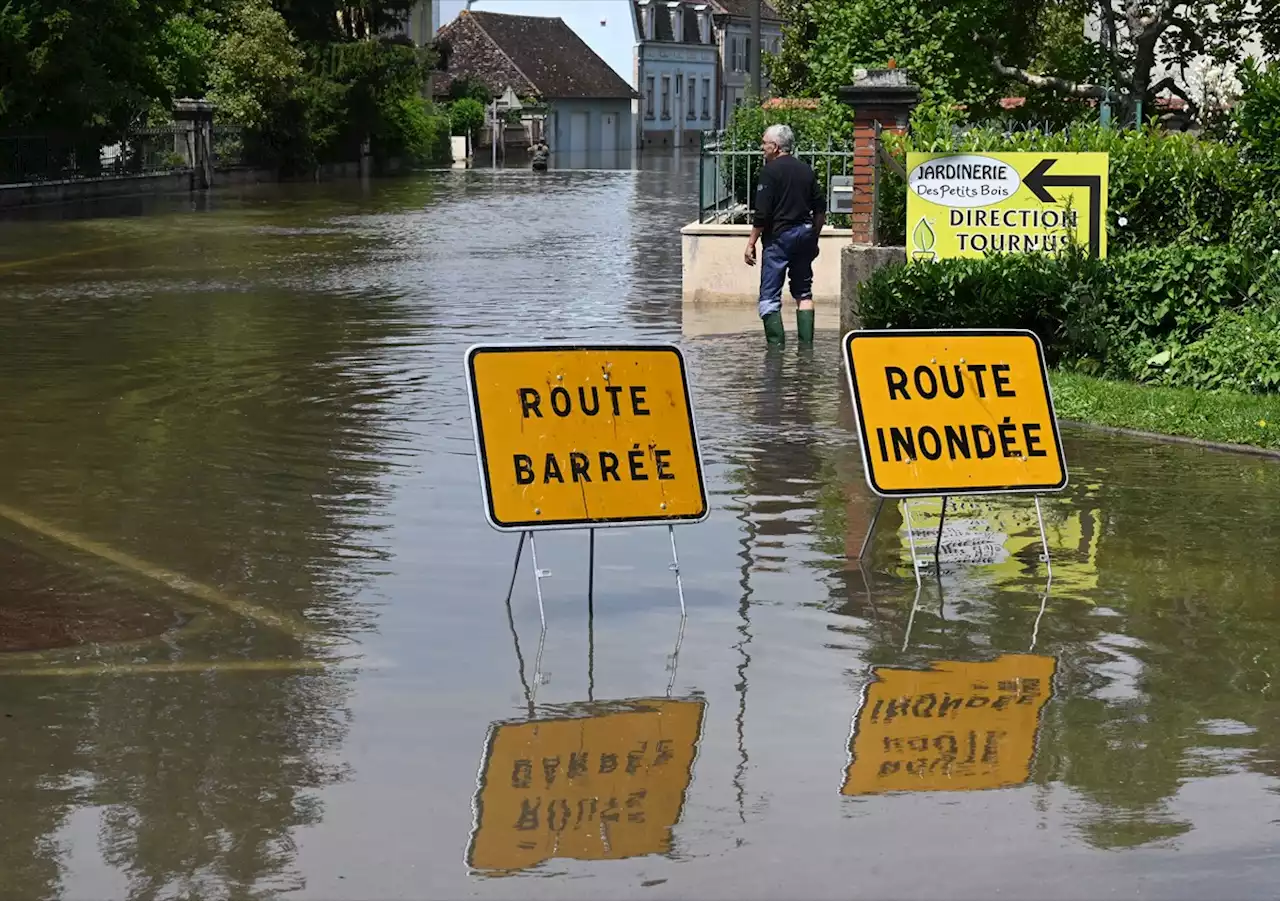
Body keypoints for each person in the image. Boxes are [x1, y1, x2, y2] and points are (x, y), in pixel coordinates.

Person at [744, 124, 826, 346]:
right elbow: (820, 209)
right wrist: (814, 237)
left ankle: (775, 353)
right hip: (805, 235)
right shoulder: (806, 170)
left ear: (776, 146)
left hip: (779, 238)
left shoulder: (769, 172)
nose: (762, 148)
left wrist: (751, 242)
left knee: (769, 295)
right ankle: (806, 351)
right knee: (804, 293)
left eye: (765, 143)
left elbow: (762, 213)